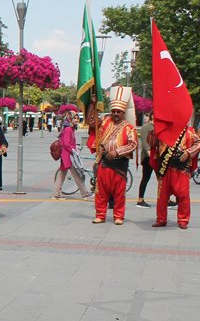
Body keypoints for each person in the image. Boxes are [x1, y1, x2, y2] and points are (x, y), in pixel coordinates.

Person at [91, 86, 138, 225]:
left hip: (119, 164)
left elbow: (133, 144)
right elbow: (92, 122)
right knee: (101, 192)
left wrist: (117, 151)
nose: (115, 113)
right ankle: (100, 215)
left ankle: (118, 216)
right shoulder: (105, 122)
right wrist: (93, 105)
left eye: (118, 111)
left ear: (123, 112)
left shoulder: (129, 127)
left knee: (119, 192)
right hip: (104, 163)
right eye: (113, 111)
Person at [151, 121, 200, 229]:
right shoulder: (164, 130)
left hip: (181, 169)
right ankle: (161, 219)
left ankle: (183, 219)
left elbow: (198, 143)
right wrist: (154, 132)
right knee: (162, 196)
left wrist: (188, 152)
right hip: (165, 168)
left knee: (183, 195)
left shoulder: (190, 131)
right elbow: (152, 143)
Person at [53, 111, 92, 200]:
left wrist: (75, 147)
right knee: (77, 175)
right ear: (70, 118)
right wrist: (73, 150)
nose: (76, 120)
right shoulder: (68, 129)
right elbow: (66, 143)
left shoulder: (70, 128)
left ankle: (56, 194)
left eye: (77, 118)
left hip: (67, 155)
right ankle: (85, 193)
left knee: (61, 176)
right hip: (68, 156)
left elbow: (69, 142)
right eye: (74, 118)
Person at [136, 114, 155, 208]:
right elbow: (145, 143)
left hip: (157, 157)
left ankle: (165, 199)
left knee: (162, 179)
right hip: (148, 157)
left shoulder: (160, 127)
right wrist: (151, 156)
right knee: (146, 178)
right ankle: (140, 199)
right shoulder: (146, 127)